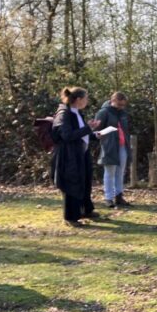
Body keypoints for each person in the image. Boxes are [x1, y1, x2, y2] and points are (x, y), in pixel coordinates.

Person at [51, 87, 102, 227]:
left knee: (85, 181)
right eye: (86, 98)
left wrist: (94, 135)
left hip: (81, 153)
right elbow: (67, 136)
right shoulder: (64, 114)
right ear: (78, 99)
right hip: (69, 156)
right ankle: (71, 217)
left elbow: (81, 133)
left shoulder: (77, 113)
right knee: (71, 184)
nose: (87, 101)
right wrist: (88, 128)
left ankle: (86, 210)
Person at [95, 92, 132, 208]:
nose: (121, 107)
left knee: (120, 172)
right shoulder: (103, 112)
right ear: (113, 100)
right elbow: (96, 130)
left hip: (122, 145)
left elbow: (125, 130)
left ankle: (119, 196)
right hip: (109, 145)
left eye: (123, 105)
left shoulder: (123, 113)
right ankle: (108, 198)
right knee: (109, 172)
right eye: (119, 104)